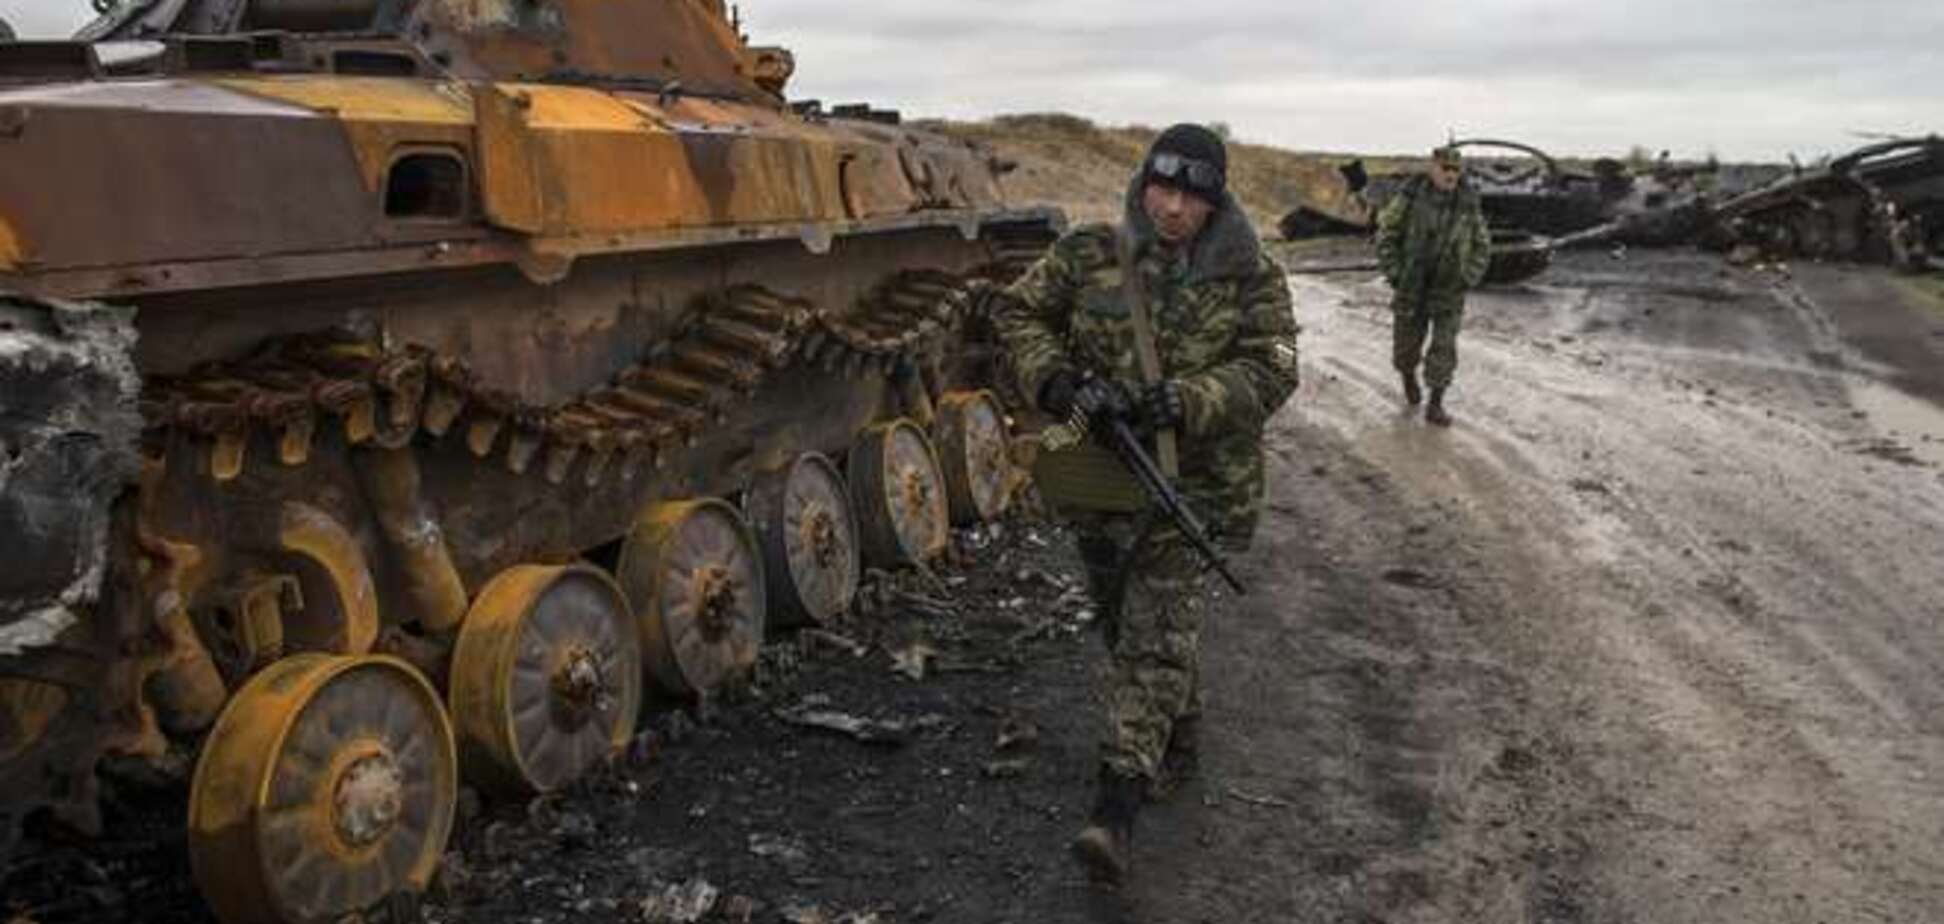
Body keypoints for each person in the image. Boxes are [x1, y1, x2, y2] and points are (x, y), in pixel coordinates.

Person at [991, 123, 1300, 884]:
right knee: (1120, 619)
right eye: (1162, 191)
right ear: (1142, 185)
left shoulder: (1253, 276)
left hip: (1190, 487)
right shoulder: (1090, 253)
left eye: (1191, 198)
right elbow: (1015, 315)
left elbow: (1273, 370)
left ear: (1215, 204)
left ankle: (1116, 806)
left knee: (1155, 635)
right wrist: (1057, 381)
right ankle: (1178, 731)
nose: (1172, 210)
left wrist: (1188, 399)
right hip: (1100, 481)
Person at [1375, 144, 1492, 426]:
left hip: (1449, 288)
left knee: (1444, 347)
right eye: (1445, 169)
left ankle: (1436, 403)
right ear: (1433, 168)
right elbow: (1386, 235)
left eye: (1455, 169)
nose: (1450, 175)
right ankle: (1408, 377)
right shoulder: (1410, 197)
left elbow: (1482, 244)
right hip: (1412, 286)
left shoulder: (1467, 202)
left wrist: (1469, 275)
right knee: (1406, 348)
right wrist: (1395, 273)